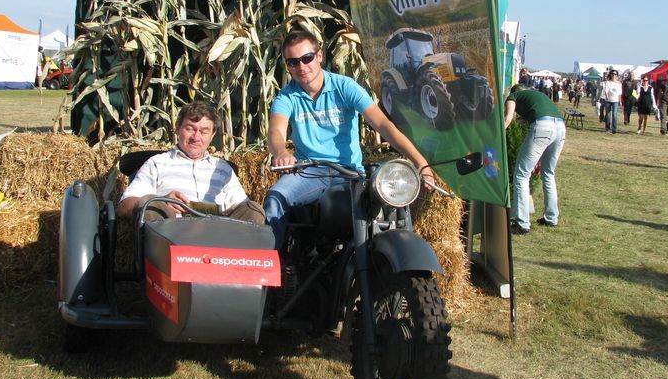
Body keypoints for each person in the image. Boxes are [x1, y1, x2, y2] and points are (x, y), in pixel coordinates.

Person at [264, 29, 435, 248]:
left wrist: (420, 162)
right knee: (276, 198)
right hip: (308, 171)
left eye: (306, 58)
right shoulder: (287, 96)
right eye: (293, 62)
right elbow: (276, 132)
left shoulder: (344, 87)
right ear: (287, 66)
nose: (301, 67)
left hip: (348, 173)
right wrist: (281, 152)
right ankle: (272, 272)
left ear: (319, 56)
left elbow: (383, 125)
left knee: (387, 205)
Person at [117, 101, 265, 224]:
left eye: (204, 131)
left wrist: (229, 211)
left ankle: (238, 259)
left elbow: (242, 207)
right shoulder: (157, 163)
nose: (196, 137)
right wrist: (161, 200)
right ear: (177, 129)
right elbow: (124, 207)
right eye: (190, 129)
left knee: (254, 210)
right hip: (171, 234)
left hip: (219, 235)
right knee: (149, 203)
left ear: (212, 135)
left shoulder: (222, 169)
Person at [504, 84, 566, 234]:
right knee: (549, 174)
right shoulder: (537, 95)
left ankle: (522, 223)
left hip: (542, 126)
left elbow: (507, 120)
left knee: (521, 175)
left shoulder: (513, 96)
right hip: (561, 127)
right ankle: (551, 217)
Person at [599, 69, 622, 134]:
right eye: (613, 74)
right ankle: (607, 128)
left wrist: (620, 101)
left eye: (615, 74)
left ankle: (614, 129)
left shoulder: (619, 83)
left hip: (615, 100)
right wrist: (607, 97)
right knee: (608, 114)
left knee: (614, 114)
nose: (614, 75)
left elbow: (620, 93)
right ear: (611, 75)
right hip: (608, 100)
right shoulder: (608, 82)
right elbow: (606, 90)